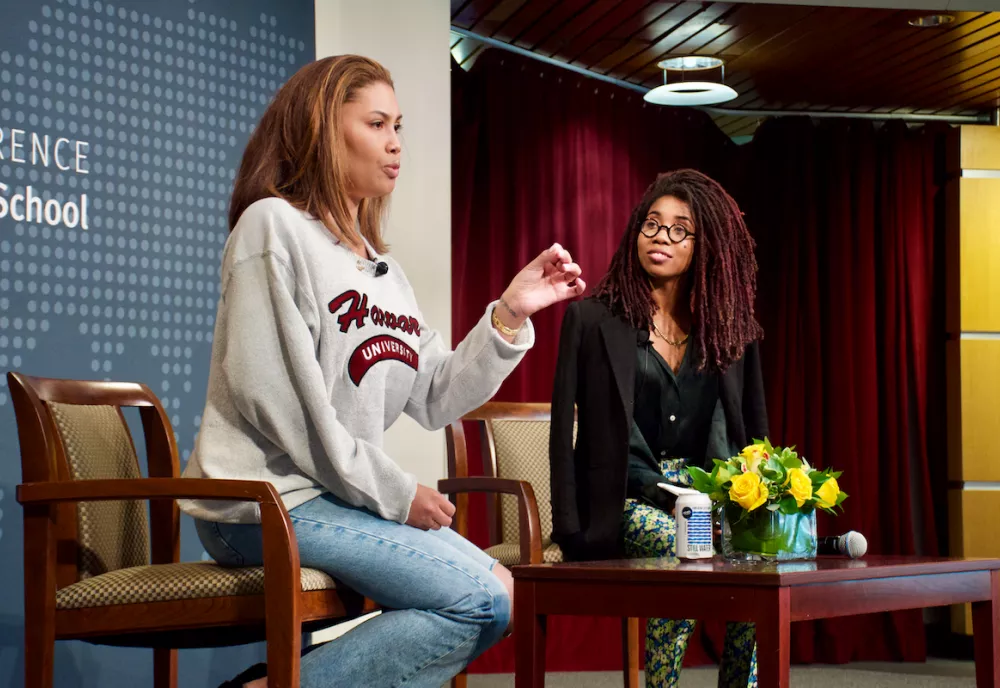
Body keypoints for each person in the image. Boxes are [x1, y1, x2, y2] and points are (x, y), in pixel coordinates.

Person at [179, 55, 585, 688]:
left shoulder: (381, 271)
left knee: (502, 590)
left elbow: (435, 395)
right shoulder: (273, 227)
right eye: (376, 123)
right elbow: (287, 412)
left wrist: (509, 314)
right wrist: (397, 495)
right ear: (321, 127)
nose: (396, 144)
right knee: (479, 598)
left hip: (335, 498)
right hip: (259, 505)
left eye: (399, 126)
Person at [549, 169, 767, 687]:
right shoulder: (591, 321)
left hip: (708, 499)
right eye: (652, 224)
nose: (661, 238)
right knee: (683, 544)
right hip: (624, 502)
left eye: (679, 229)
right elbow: (561, 435)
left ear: (704, 245)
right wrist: (569, 526)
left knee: (755, 568)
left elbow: (752, 432)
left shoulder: (731, 332)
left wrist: (756, 502)